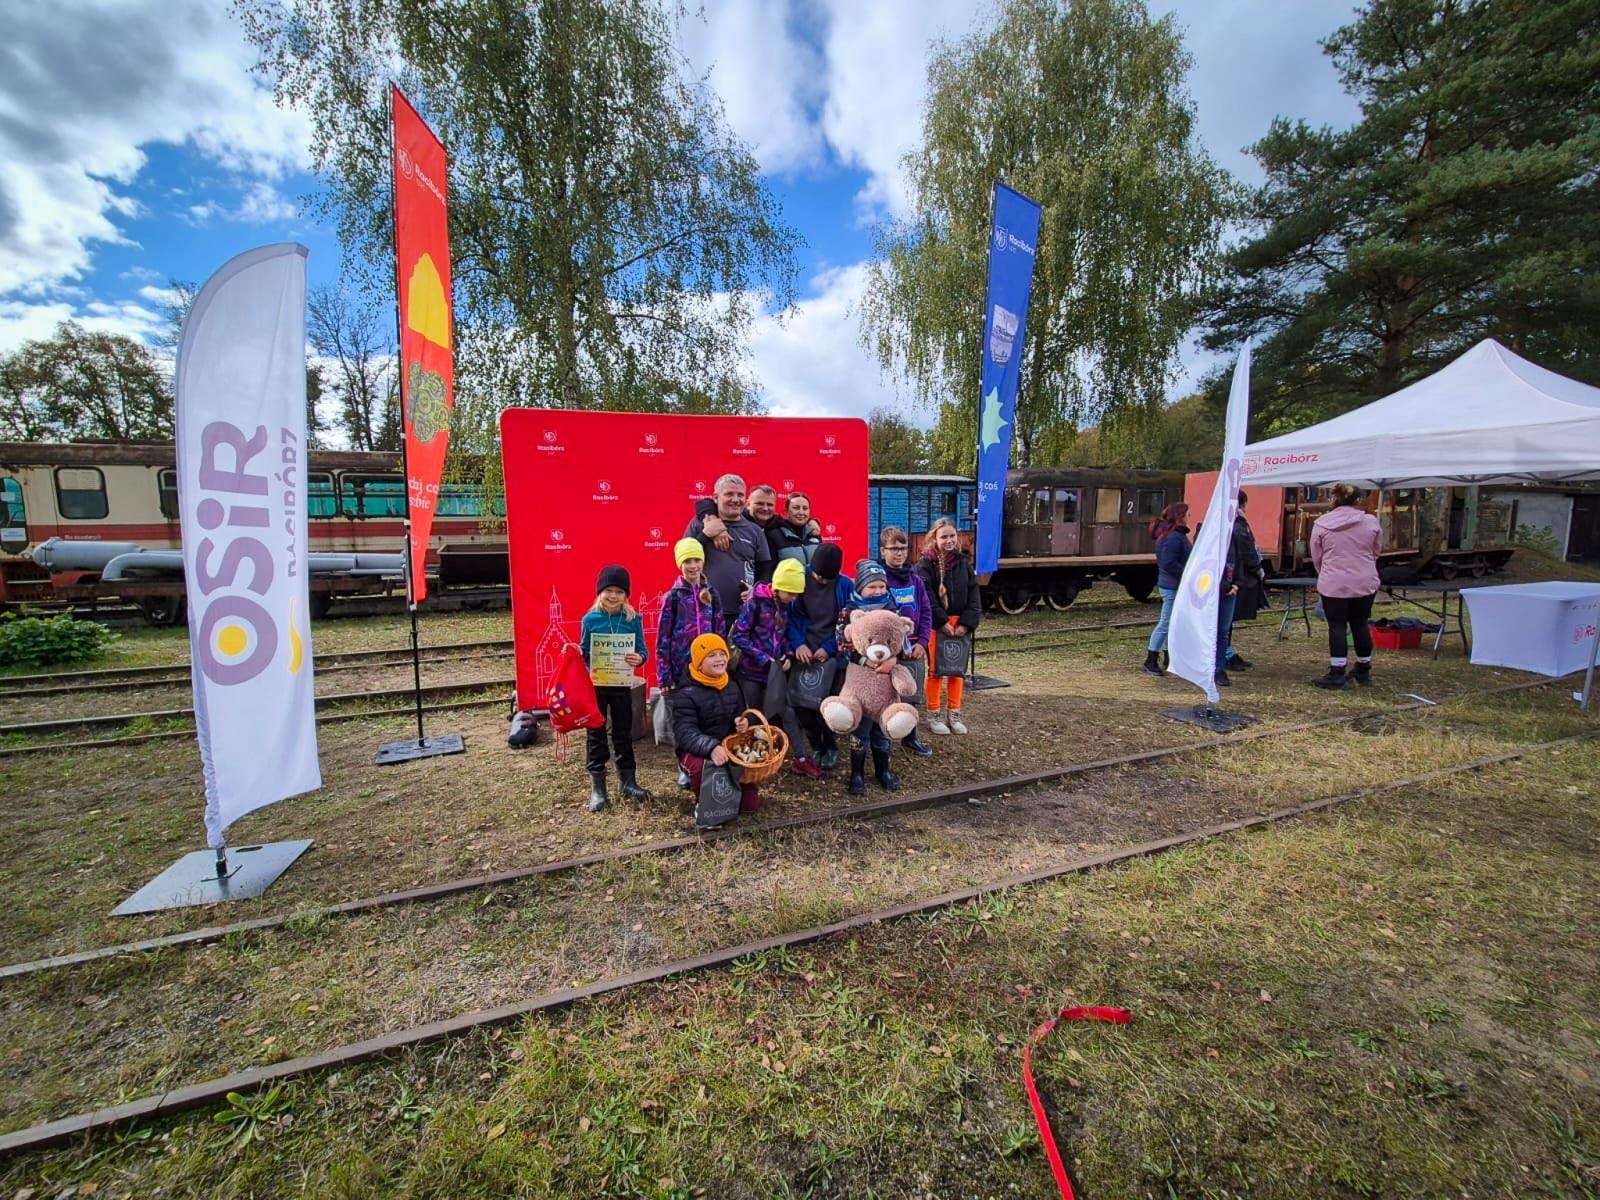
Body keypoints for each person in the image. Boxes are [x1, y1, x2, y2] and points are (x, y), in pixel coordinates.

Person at [731, 557, 820, 778]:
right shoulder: (756, 603)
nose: (793, 598)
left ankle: (800, 758)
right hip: (751, 672)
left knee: (786, 711)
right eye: (790, 593)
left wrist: (788, 654)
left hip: (775, 672)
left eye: (796, 594)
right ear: (778, 587)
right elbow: (740, 636)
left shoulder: (786, 606)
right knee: (752, 715)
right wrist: (763, 659)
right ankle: (746, 762)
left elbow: (783, 635)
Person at [580, 565, 650, 812]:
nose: (613, 596)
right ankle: (598, 788)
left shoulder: (633, 619)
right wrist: (579, 654)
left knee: (623, 733)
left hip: (621, 685)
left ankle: (628, 782)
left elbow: (643, 650)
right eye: (608, 590)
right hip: (597, 686)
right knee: (596, 735)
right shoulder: (589, 620)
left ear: (626, 595)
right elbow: (585, 651)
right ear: (600, 592)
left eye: (619, 591)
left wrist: (638, 659)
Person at [672, 633, 761, 817]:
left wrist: (742, 723)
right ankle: (702, 802)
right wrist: (711, 747)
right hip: (696, 751)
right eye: (712, 655)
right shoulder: (686, 693)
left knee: (749, 807)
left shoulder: (732, 685)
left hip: (728, 746)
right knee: (703, 769)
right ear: (699, 662)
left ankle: (733, 789)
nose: (720, 659)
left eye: (722, 654)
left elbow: (741, 714)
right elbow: (685, 732)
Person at [837, 558, 905, 794]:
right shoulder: (850, 610)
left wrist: (895, 659)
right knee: (861, 728)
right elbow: (841, 643)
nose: (878, 591)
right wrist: (864, 660)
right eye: (872, 586)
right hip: (860, 681)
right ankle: (856, 774)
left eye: (881, 586)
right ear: (860, 588)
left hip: (886, 682)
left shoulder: (892, 608)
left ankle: (882, 770)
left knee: (882, 728)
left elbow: (902, 640)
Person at [785, 541, 852, 768]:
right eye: (817, 576)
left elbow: (848, 623)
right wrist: (798, 644)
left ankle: (830, 745)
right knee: (802, 704)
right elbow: (791, 617)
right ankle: (815, 744)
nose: (820, 581)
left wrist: (830, 647)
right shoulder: (801, 578)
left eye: (826, 578)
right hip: (804, 650)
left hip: (830, 653)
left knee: (826, 703)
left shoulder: (844, 585)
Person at [1310, 483, 1382, 688]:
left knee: (1337, 625)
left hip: (1333, 581)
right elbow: (1377, 550)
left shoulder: (1322, 524)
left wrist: (1325, 571)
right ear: (1357, 499)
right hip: (1365, 580)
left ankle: (1337, 671)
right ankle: (1363, 669)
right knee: (1360, 623)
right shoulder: (1370, 521)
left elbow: (1317, 555)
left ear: (1333, 499)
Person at [914, 518, 981, 735]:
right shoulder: (925, 565)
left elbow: (974, 594)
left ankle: (955, 713)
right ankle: (934, 714)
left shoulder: (963, 563)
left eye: (952, 536)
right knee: (935, 671)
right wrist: (941, 622)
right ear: (935, 538)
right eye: (944, 536)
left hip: (959, 624)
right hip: (937, 625)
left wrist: (966, 624)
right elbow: (927, 597)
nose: (949, 540)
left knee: (956, 670)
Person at [879, 525, 934, 757]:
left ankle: (910, 738)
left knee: (911, 696)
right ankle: (883, 739)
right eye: (894, 549)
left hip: (913, 650)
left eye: (903, 548)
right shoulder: (879, 580)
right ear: (883, 551)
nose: (899, 553)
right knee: (885, 697)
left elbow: (926, 612)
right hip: (890, 652)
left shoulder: (916, 580)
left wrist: (922, 641)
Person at [686, 474, 773, 617]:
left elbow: (765, 570)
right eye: (729, 494)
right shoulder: (699, 523)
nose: (736, 499)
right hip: (703, 612)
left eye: (740, 495)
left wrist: (756, 590)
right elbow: (685, 560)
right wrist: (706, 535)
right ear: (715, 497)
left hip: (743, 614)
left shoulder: (755, 531)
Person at [656, 538, 725, 694]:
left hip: (709, 667)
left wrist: (721, 663)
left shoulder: (712, 594)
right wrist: (664, 677)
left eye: (697, 560)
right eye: (687, 561)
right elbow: (663, 640)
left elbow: (720, 633)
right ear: (680, 564)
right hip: (682, 669)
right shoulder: (672, 597)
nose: (693, 566)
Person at [1143, 503, 1190, 676]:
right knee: (1166, 623)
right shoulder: (1173, 538)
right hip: (1172, 585)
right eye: (1187, 514)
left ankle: (1168, 657)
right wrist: (1188, 573)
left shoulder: (1172, 536)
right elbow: (1169, 563)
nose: (1189, 517)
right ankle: (1151, 658)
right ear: (1179, 517)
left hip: (1172, 584)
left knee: (1170, 623)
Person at [1223, 492, 1267, 672]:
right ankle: (1225, 655)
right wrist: (1258, 569)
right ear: (1241, 504)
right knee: (1226, 620)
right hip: (1234, 577)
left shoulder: (1223, 521)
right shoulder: (1238, 526)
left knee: (1226, 620)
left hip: (1229, 576)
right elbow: (1247, 551)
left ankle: (1226, 653)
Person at [767, 490, 823, 566]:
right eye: (796, 508)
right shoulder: (774, 535)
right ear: (786, 512)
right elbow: (768, 569)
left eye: (805, 508)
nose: (801, 512)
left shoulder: (814, 532)